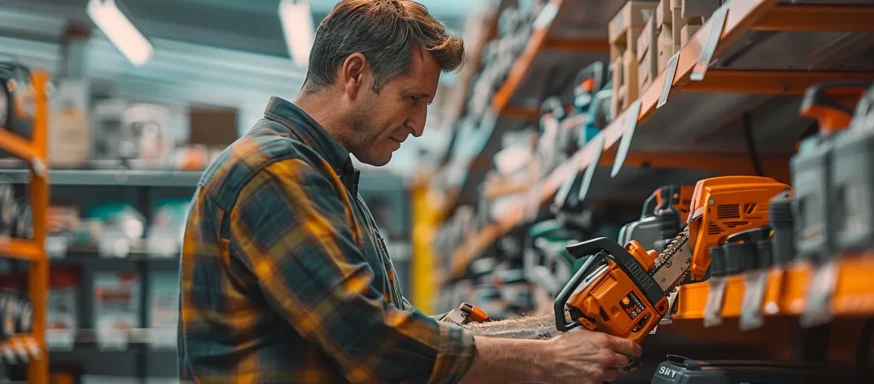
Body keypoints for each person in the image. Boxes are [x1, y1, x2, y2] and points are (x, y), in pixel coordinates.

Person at [176, 1, 641, 383]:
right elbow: (373, 343)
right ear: (354, 74)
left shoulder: (322, 176)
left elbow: (382, 327)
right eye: (412, 99)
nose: (418, 127)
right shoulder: (273, 172)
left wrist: (539, 332)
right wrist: (550, 361)